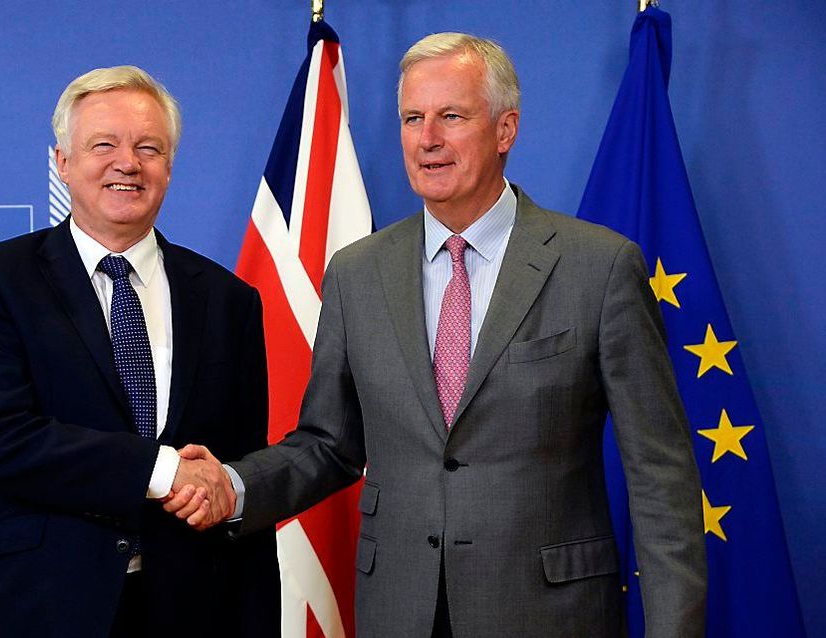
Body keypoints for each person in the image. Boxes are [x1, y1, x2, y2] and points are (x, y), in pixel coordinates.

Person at [172, 33, 707, 637]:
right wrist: (235, 485)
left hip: (549, 615)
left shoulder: (599, 268)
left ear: (505, 130)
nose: (427, 139)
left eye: (451, 117)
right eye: (412, 118)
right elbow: (329, 445)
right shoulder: (356, 273)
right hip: (400, 610)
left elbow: (660, 477)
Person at [0, 65, 279, 638]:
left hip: (196, 606)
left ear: (169, 168)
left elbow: (233, 468)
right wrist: (163, 469)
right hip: (43, 604)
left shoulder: (229, 299)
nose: (127, 163)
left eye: (148, 148)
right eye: (104, 145)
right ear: (63, 162)